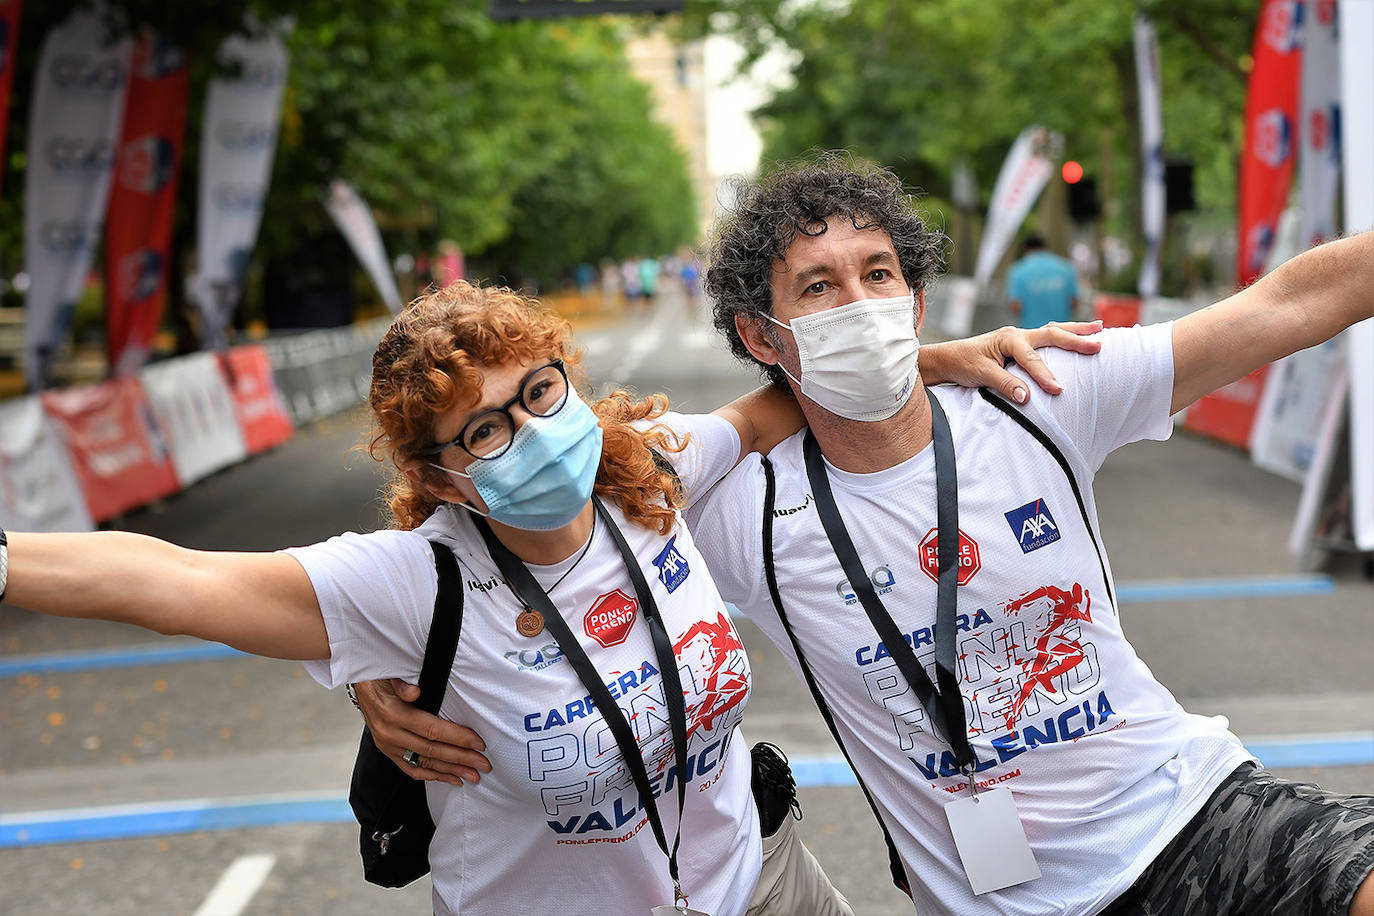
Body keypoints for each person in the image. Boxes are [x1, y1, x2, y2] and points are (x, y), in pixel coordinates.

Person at [372, 156, 1374, 916]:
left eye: (880, 273)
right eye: (818, 288)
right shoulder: (735, 505)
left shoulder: (1039, 393)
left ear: (918, 294)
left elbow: (1289, 303)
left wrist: (933, 362)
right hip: (990, 896)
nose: (861, 305)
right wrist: (372, 671)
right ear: (763, 339)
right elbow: (493, 512)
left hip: (1194, 821)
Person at [1, 279, 1089, 915]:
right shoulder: (411, 580)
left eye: (538, 392)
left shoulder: (644, 473)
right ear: (438, 475)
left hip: (760, 883)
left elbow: (768, 414)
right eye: (485, 429)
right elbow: (168, 578)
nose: (532, 433)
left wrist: (924, 358)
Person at [1006, 234, 1079, 328]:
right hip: (1062, 332)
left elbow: (1015, 305)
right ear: (1046, 247)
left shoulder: (1018, 270)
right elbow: (1075, 302)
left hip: (1032, 334)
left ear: (1025, 249)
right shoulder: (1065, 267)